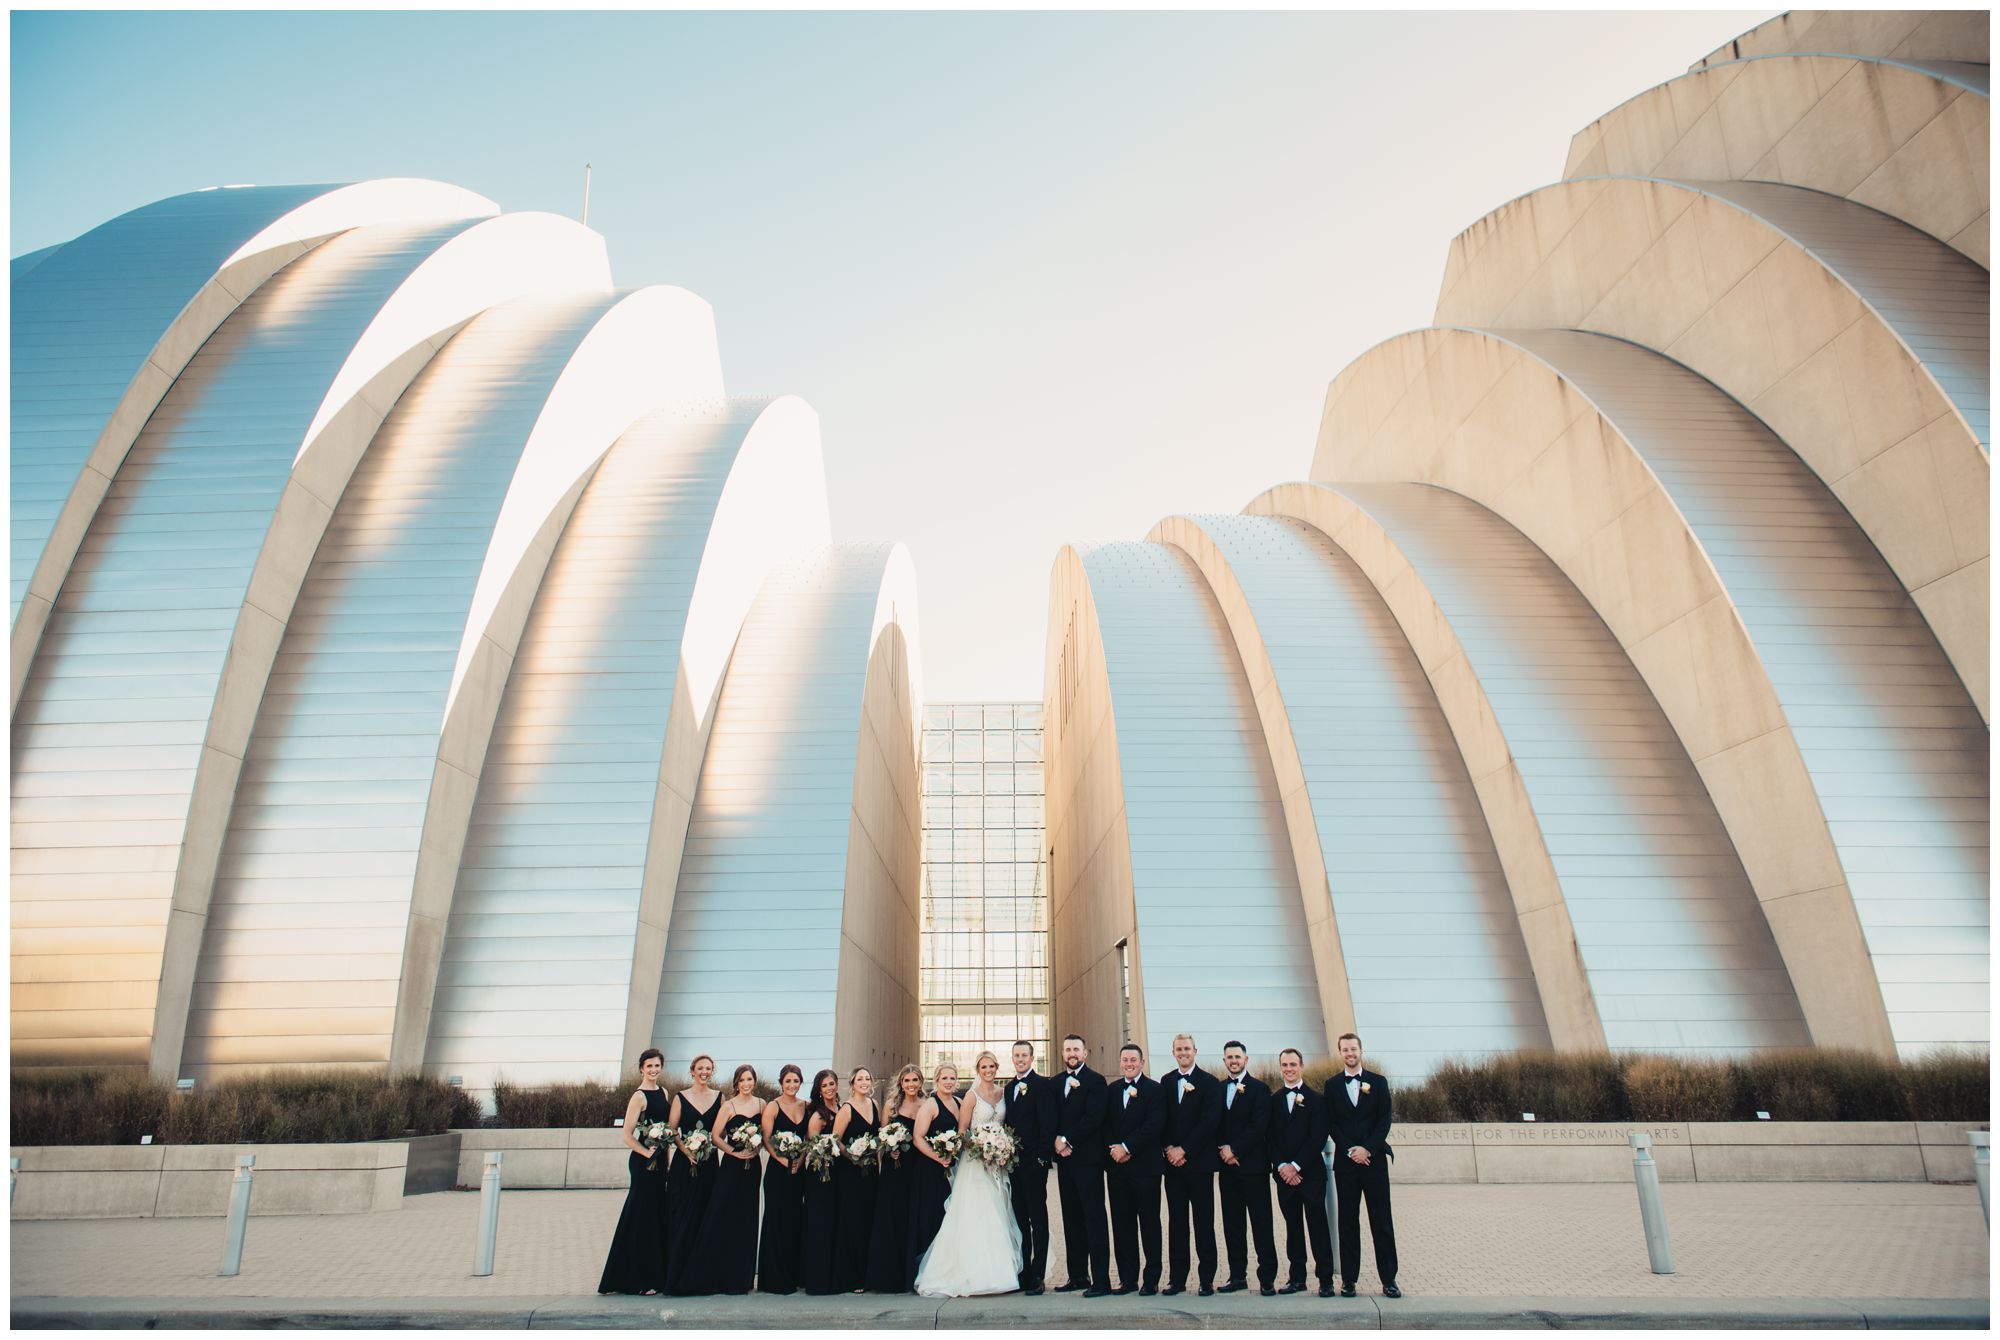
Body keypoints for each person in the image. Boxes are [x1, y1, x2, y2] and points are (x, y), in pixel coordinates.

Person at [914, 1050, 1023, 1297]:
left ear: (997, 1068)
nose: (988, 1070)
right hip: (975, 1163)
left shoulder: (1003, 1093)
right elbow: (963, 1132)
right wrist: (982, 1147)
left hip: (998, 1163)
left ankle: (1001, 1273)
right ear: (977, 1070)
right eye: (983, 1067)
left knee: (1000, 1212)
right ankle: (973, 1274)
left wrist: (1001, 1147)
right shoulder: (970, 1097)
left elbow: (1006, 1125)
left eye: (991, 1066)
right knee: (977, 1213)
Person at [676, 1063, 764, 1295]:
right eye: (742, 1080)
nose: (746, 1084)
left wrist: (757, 1146)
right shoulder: (728, 1106)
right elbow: (716, 1136)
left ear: (754, 1082)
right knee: (723, 1215)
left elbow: (766, 1132)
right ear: (736, 1083)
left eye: (750, 1079)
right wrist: (733, 1152)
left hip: (752, 1167)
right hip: (732, 1168)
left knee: (747, 1219)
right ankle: (715, 1272)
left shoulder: (761, 1104)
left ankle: (742, 1276)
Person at [1326, 1032, 1400, 1298]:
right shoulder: (1332, 1085)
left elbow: (1384, 1120)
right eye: (1345, 1050)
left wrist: (1367, 1148)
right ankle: (1349, 1280)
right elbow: (1331, 1122)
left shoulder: (1378, 1082)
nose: (1350, 1053)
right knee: (1347, 1221)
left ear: (1361, 1051)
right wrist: (1351, 1149)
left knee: (1381, 1221)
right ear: (1340, 1053)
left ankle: (1389, 1279)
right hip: (1346, 1164)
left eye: (1353, 1049)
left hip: (1374, 1161)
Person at [598, 1047, 671, 1295]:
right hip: (643, 1163)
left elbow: (666, 1130)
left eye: (657, 1066)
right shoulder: (638, 1097)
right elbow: (627, 1135)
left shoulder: (664, 1092)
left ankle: (655, 1275)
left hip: (659, 1161)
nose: (653, 1070)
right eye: (649, 1066)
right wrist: (646, 1153)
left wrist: (666, 1161)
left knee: (655, 1216)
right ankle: (636, 1279)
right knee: (641, 1216)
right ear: (642, 1069)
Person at [1266, 1047, 1334, 1297]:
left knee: (1318, 1226)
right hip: (1284, 1177)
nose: (1289, 1069)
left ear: (1301, 1066)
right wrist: (1282, 1167)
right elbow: (1269, 1138)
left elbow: (1318, 1136)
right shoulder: (1273, 1101)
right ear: (1280, 1068)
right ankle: (1297, 1278)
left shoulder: (1317, 1100)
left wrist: (1296, 1166)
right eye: (1285, 1065)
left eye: (1293, 1064)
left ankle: (1325, 1279)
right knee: (1292, 1228)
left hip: (1310, 1175)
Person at [1160, 1032, 1222, 1296]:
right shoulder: (1166, 1081)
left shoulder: (1209, 1082)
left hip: (1199, 1165)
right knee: (1177, 1223)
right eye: (1179, 1049)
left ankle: (1206, 1278)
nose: (1183, 1053)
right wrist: (1168, 1149)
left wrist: (1184, 1149)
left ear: (1195, 1051)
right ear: (1173, 1052)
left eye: (1187, 1048)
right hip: (1173, 1166)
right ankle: (1177, 1279)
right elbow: (1161, 1119)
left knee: (1203, 1222)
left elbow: (1210, 1122)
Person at [1051, 1033, 1111, 1297]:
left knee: (1094, 1219)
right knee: (1071, 1219)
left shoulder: (1096, 1081)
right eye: (1068, 1050)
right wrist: (1055, 1142)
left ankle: (1101, 1281)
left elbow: (1094, 1118)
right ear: (1063, 1053)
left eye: (1076, 1049)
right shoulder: (1055, 1083)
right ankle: (1077, 1276)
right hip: (1064, 1162)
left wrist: (1067, 1140)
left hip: (1088, 1161)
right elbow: (1051, 1117)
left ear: (1085, 1053)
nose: (1072, 1053)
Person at [1215, 1041, 1278, 1296]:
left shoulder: (1260, 1089)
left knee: (1261, 1223)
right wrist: (1223, 1149)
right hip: (1227, 1169)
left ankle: (1267, 1277)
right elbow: (1214, 1123)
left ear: (1246, 1059)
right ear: (1224, 1061)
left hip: (1253, 1168)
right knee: (1233, 1225)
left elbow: (1259, 1125)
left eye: (1237, 1057)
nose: (1233, 1061)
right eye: (1229, 1057)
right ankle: (1237, 1275)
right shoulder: (1218, 1089)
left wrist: (1236, 1150)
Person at [1103, 1042, 1165, 1295]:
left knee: (1149, 1225)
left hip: (1145, 1169)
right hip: (1117, 1170)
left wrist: (1127, 1147)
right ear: (1120, 1063)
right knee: (1122, 1226)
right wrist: (1114, 1149)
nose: (1129, 1064)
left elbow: (1154, 1125)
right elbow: (1105, 1124)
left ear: (1142, 1063)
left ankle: (1151, 1279)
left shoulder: (1155, 1090)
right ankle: (1127, 1279)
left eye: (1133, 1060)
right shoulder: (1112, 1090)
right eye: (1125, 1060)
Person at [1003, 1039, 1058, 1295]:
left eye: (1024, 1055)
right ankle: (1023, 1271)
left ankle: (1038, 1274)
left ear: (1032, 1058)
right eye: (1017, 1055)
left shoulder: (1042, 1085)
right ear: (1013, 1058)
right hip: (1013, 1165)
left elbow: (1048, 1124)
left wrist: (1042, 1159)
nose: (1020, 1059)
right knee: (1020, 1220)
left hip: (1034, 1164)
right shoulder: (1009, 1088)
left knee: (1038, 1220)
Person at [661, 1054, 720, 1292]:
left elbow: (720, 1131)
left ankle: (702, 1276)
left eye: (708, 1068)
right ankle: (677, 1275)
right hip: (685, 1164)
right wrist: (686, 1149)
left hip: (709, 1164)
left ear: (712, 1071)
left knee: (706, 1216)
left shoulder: (719, 1097)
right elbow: (672, 1129)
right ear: (692, 1071)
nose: (704, 1072)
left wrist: (710, 1144)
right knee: (683, 1216)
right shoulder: (681, 1097)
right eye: (700, 1068)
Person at [866, 1064, 927, 1292]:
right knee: (892, 1217)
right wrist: (889, 1149)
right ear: (901, 1083)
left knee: (914, 1217)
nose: (911, 1084)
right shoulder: (891, 1106)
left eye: (915, 1080)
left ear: (921, 1082)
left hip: (917, 1167)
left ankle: (912, 1274)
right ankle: (888, 1276)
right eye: (907, 1080)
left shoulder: (926, 1104)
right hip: (894, 1168)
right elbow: (882, 1136)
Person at [756, 1064, 809, 1294]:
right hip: (778, 1172)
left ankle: (794, 1274)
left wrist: (801, 1159)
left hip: (798, 1171)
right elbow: (766, 1139)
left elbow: (808, 1138)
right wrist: (783, 1160)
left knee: (795, 1220)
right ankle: (774, 1278)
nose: (792, 1085)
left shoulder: (805, 1106)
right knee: (776, 1220)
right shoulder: (773, 1107)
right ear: (781, 1083)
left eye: (796, 1081)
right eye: (788, 1081)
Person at [907, 1061, 960, 1281]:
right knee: (932, 1216)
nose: (948, 1082)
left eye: (952, 1078)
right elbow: (917, 1137)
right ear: (936, 1080)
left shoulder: (959, 1102)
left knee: (950, 1216)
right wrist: (938, 1157)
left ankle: (948, 1265)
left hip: (952, 1168)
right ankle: (927, 1269)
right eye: (944, 1078)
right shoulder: (930, 1104)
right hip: (930, 1169)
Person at [830, 1067, 880, 1292]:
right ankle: (851, 1278)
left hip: (871, 1171)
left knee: (869, 1221)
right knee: (854, 1222)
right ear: (852, 1083)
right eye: (860, 1079)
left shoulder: (874, 1104)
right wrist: (853, 1155)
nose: (864, 1082)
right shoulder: (846, 1109)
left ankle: (869, 1275)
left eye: (867, 1078)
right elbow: (835, 1140)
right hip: (851, 1171)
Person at [799, 1069, 843, 1296]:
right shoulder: (818, 1114)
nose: (829, 1088)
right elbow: (812, 1144)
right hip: (821, 1172)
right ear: (818, 1089)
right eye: (824, 1085)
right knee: (820, 1223)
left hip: (839, 1172)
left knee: (835, 1221)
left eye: (831, 1084)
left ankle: (834, 1274)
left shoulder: (842, 1108)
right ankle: (817, 1278)